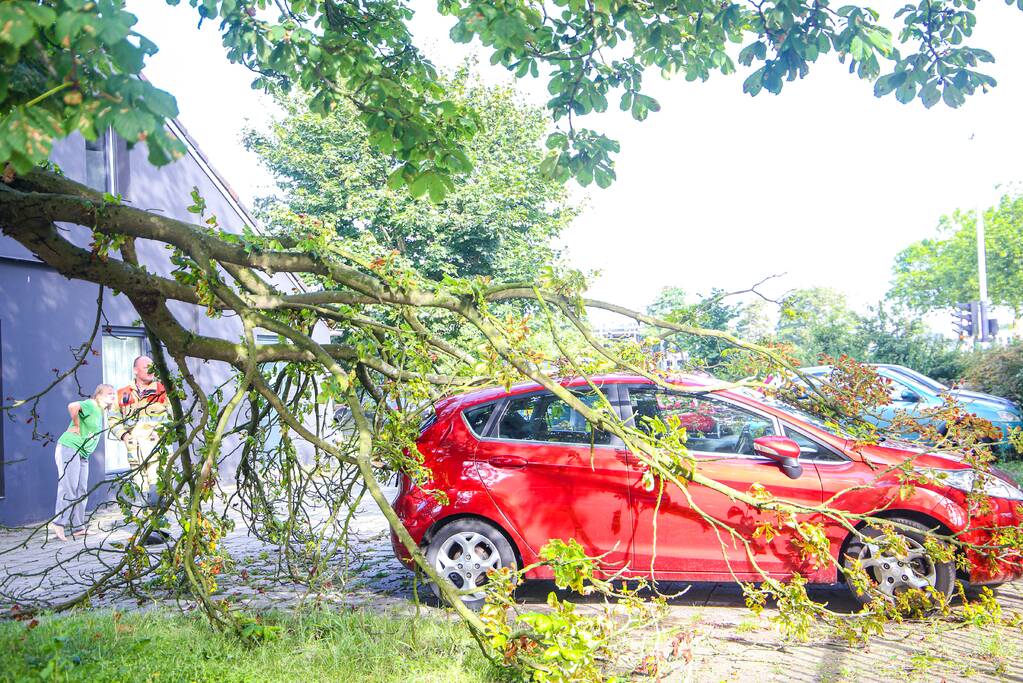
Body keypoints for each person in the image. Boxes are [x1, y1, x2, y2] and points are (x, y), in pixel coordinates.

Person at [52, 384, 116, 541]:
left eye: (113, 394)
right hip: (70, 447)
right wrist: (75, 424)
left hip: (82, 453)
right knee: (68, 487)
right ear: (98, 395)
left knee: (81, 490)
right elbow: (72, 405)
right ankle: (58, 524)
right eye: (109, 393)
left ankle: (78, 527)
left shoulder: (100, 411)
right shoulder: (91, 404)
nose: (112, 396)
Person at [109, 356, 170, 520]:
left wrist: (164, 432)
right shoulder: (123, 394)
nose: (150, 370)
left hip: (158, 451)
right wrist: (124, 435)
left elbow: (176, 417)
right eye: (146, 367)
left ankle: (160, 526)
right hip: (134, 452)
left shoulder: (163, 390)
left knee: (157, 490)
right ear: (135, 370)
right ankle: (146, 529)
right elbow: (113, 419)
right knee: (140, 492)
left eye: (152, 367)